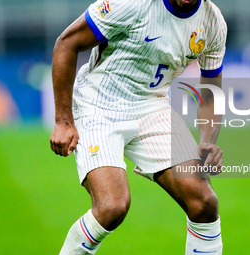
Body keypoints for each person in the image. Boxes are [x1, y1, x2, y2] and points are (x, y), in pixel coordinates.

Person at [50, 0, 227, 253]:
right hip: (99, 106)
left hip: (152, 107)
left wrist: (207, 141)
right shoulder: (132, 3)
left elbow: (210, 90)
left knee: (203, 201)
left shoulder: (213, 22)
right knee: (112, 207)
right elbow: (66, 43)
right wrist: (64, 121)